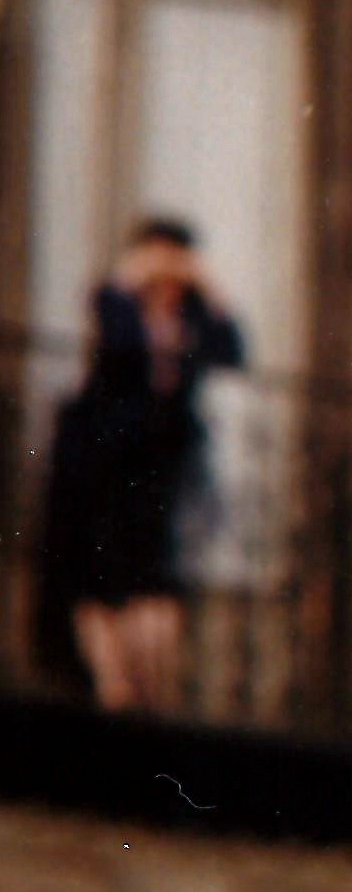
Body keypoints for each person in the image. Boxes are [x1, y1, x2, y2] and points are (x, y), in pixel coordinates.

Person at [43, 218, 241, 715]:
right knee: (101, 577)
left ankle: (144, 696)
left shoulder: (194, 319)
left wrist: (211, 286)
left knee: (153, 580)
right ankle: (112, 690)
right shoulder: (121, 308)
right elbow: (118, 336)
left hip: (163, 464)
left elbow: (232, 350)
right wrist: (130, 277)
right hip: (107, 460)